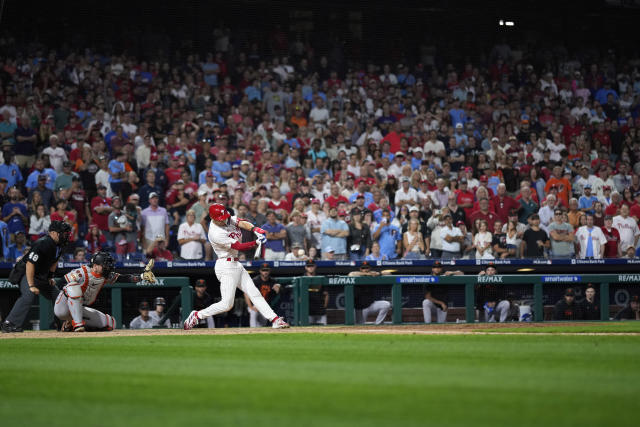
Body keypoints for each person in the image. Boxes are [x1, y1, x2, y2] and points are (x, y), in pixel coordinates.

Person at [183, 203, 289, 329]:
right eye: (221, 218)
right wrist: (255, 242)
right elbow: (238, 246)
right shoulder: (215, 233)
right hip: (225, 265)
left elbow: (241, 222)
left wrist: (256, 230)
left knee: (254, 293)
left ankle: (275, 319)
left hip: (235, 263)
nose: (225, 220)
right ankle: (197, 315)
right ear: (214, 218)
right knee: (227, 304)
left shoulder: (225, 218)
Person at [2, 221, 71, 333]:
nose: (65, 235)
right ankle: (9, 323)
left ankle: (62, 324)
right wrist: (31, 285)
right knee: (29, 293)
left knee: (58, 295)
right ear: (53, 233)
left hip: (40, 275)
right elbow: (30, 263)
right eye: (63, 233)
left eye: (66, 233)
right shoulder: (43, 243)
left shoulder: (59, 245)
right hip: (25, 272)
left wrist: (49, 277)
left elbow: (54, 262)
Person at [53, 252, 118, 332]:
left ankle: (70, 324)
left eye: (108, 265)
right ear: (95, 266)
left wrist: (136, 278)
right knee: (73, 286)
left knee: (110, 323)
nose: (108, 268)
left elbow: (124, 278)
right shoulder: (81, 272)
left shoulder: (105, 276)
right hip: (64, 306)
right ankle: (78, 324)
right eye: (105, 265)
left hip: (79, 308)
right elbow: (61, 283)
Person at [246, 263, 282, 327]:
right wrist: (251, 306)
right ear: (260, 271)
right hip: (255, 304)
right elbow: (246, 293)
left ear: (269, 271)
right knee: (253, 313)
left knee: (262, 324)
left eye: (266, 270)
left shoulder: (272, 281)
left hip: (265, 306)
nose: (265, 272)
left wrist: (279, 287)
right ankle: (252, 330)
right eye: (263, 270)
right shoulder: (255, 280)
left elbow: (279, 289)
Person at [303, 259, 329, 325]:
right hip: (307, 311)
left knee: (324, 331)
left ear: (315, 266)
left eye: (312, 266)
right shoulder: (302, 278)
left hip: (320, 311)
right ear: (306, 267)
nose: (310, 268)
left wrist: (324, 307)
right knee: (308, 332)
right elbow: (299, 298)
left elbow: (326, 294)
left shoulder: (320, 278)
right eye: (308, 266)